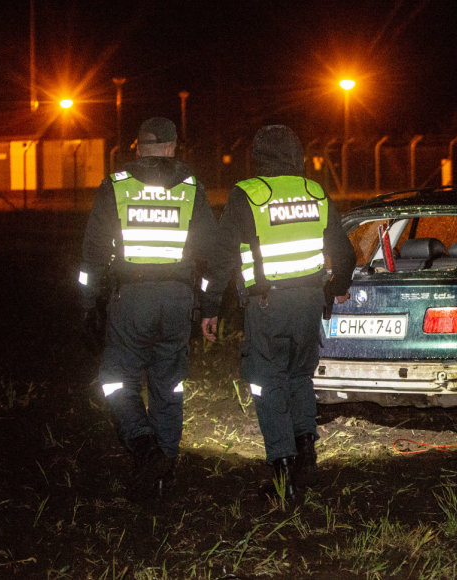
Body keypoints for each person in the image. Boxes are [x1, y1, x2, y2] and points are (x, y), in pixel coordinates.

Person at [201, 125, 356, 500]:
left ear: (258, 157)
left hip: (268, 306)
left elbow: (220, 259)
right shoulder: (315, 192)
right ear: (296, 155)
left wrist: (208, 307)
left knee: (266, 383)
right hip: (309, 304)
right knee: (300, 378)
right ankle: (307, 460)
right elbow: (347, 254)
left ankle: (282, 476)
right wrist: (335, 290)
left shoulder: (247, 195)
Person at [78, 117, 218, 500]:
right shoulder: (192, 189)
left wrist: (88, 302)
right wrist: (207, 301)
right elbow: (212, 253)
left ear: (137, 148)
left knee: (115, 379)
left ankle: (142, 446)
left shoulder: (116, 186)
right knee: (168, 386)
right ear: (173, 148)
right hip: (177, 300)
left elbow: (92, 252)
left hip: (132, 300)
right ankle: (162, 473)